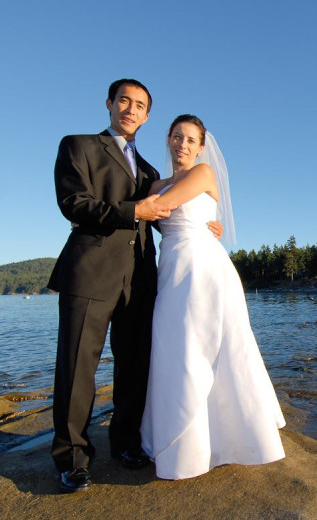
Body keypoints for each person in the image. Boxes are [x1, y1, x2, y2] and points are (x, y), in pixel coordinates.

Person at [48, 80, 222, 493]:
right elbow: (74, 204)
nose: (131, 109)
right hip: (91, 272)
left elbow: (162, 217)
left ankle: (126, 444)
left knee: (135, 367)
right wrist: (136, 209)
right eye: (124, 100)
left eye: (140, 105)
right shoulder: (78, 146)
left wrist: (205, 225)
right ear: (109, 104)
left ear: (146, 117)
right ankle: (72, 458)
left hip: (140, 281)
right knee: (77, 369)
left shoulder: (148, 172)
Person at [140, 114, 285, 480]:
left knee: (213, 345)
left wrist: (138, 205)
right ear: (168, 139)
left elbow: (158, 209)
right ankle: (187, 437)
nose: (183, 145)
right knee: (176, 346)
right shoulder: (156, 181)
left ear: (201, 147)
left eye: (191, 139)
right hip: (172, 267)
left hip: (204, 267)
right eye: (177, 137)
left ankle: (234, 436)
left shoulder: (202, 174)